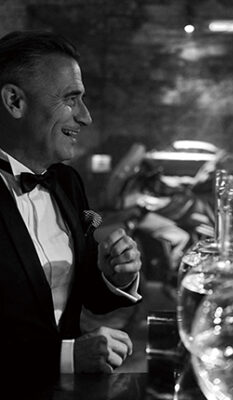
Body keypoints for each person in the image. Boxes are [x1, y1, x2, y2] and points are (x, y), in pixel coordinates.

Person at [0, 30, 142, 388]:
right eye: (71, 99)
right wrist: (65, 357)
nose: (86, 117)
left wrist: (115, 275)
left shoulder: (66, 182)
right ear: (15, 101)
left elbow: (83, 294)